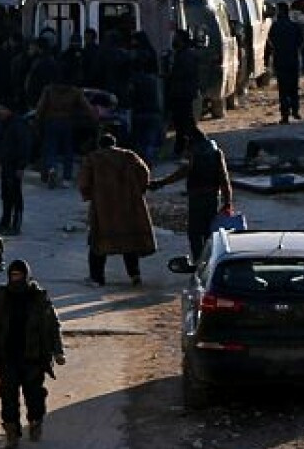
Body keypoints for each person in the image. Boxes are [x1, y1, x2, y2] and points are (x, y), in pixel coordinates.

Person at [0, 259, 64, 449]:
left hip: (33, 357)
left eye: (19, 276)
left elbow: (52, 326)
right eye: (13, 275)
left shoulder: (38, 298)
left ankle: (35, 421)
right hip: (8, 356)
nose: (16, 279)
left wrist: (58, 352)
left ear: (26, 276)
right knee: (8, 396)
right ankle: (11, 432)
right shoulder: (1, 298)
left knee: (34, 394)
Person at [77, 133, 156, 288]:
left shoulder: (93, 158)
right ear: (114, 144)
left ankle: (97, 278)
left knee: (98, 243)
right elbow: (144, 173)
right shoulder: (129, 155)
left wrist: (90, 195)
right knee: (129, 243)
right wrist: (138, 191)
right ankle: (135, 275)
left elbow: (84, 182)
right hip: (128, 206)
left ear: (100, 145)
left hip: (103, 207)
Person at [150, 123, 232, 264]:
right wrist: (228, 201)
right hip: (213, 197)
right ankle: (212, 261)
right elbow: (224, 177)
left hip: (197, 197)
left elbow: (183, 172)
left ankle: (199, 263)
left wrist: (161, 182)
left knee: (195, 233)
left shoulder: (194, 151)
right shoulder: (216, 152)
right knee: (209, 232)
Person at [32, 62, 94, 188]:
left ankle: (52, 168)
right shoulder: (75, 91)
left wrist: (37, 120)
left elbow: (40, 107)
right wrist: (93, 117)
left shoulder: (49, 89)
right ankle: (67, 177)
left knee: (50, 148)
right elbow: (87, 107)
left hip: (51, 121)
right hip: (67, 122)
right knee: (68, 150)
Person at [0, 104, 31, 236]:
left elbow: (24, 146)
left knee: (15, 194)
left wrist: (21, 166)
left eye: (3, 109)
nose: (0, 111)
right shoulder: (2, 124)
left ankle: (16, 223)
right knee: (5, 194)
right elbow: (0, 145)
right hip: (6, 164)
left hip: (14, 164)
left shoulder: (18, 125)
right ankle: (5, 221)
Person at [265, 1, 304, 124]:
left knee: (283, 90)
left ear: (280, 11)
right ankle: (295, 111)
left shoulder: (274, 27)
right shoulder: (295, 27)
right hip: (293, 61)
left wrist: (266, 62)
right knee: (293, 88)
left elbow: (269, 46)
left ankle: (285, 116)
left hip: (280, 62)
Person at [163, 30, 202, 160]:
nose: (174, 41)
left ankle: (195, 145)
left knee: (185, 123)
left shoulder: (187, 55)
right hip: (181, 93)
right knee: (182, 123)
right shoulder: (182, 54)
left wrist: (170, 75)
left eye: (176, 38)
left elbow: (183, 75)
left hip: (183, 94)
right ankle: (183, 148)